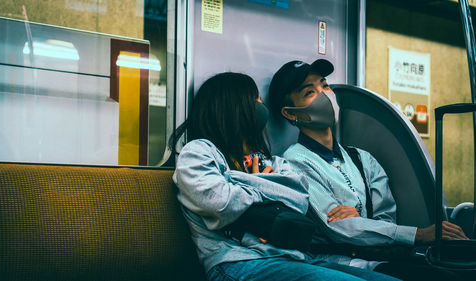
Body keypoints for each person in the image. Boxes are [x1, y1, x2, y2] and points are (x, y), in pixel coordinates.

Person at [169, 72, 399, 281]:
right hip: (239, 262)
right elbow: (220, 203)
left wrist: (242, 185)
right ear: (233, 106)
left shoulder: (270, 161)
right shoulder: (199, 152)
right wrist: (265, 184)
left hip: (295, 258)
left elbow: (299, 199)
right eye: (256, 100)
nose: (261, 107)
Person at [268, 59, 469, 280]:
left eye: (324, 85)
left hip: (381, 257)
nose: (325, 94)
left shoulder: (362, 158)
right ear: (290, 113)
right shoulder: (294, 163)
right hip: (341, 263)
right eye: (309, 92)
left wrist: (358, 217)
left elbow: (386, 220)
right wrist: (417, 234)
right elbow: (338, 228)